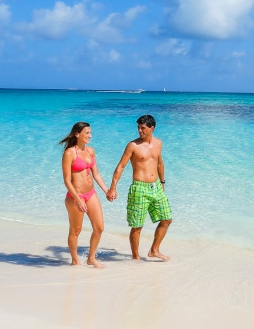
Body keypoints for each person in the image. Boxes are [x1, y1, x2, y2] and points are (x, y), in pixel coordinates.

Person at [108, 114, 173, 261]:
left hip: (156, 186)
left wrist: (163, 183)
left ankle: (154, 250)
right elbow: (121, 166)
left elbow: (159, 163)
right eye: (138, 128)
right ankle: (136, 257)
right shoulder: (133, 145)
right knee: (137, 226)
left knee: (167, 219)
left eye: (142, 128)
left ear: (152, 128)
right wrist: (113, 187)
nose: (139, 131)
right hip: (139, 188)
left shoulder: (158, 143)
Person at [59, 121, 111, 268]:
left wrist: (107, 191)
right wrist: (78, 199)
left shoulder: (90, 151)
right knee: (76, 230)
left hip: (91, 194)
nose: (90, 135)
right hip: (75, 197)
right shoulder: (69, 153)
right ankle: (75, 260)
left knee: (99, 227)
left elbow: (97, 174)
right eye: (87, 133)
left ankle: (91, 258)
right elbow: (67, 180)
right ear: (77, 134)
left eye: (90, 132)